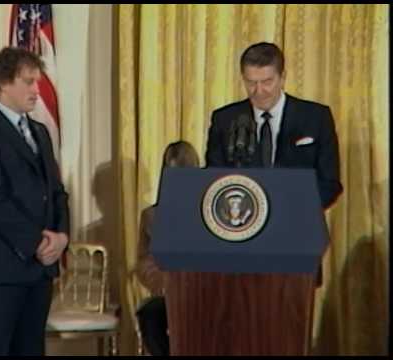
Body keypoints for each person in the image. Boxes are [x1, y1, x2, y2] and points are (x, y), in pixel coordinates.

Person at [0, 47, 70, 355]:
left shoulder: (40, 133)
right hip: (4, 268)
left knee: (30, 349)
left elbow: (57, 192)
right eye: (29, 82)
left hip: (41, 269)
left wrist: (61, 237)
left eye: (37, 81)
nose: (37, 90)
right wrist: (36, 242)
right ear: (3, 83)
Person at [205, 42, 343, 210]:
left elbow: (329, 182)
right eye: (251, 82)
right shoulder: (224, 119)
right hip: (243, 223)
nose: (259, 90)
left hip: (299, 221)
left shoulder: (316, 117)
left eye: (267, 81)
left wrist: (295, 209)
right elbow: (214, 179)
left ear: (282, 77)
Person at [136, 141, 200, 356]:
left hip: (204, 294)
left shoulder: (213, 216)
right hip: (168, 294)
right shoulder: (151, 216)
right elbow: (145, 261)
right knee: (150, 315)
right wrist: (163, 283)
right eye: (172, 173)